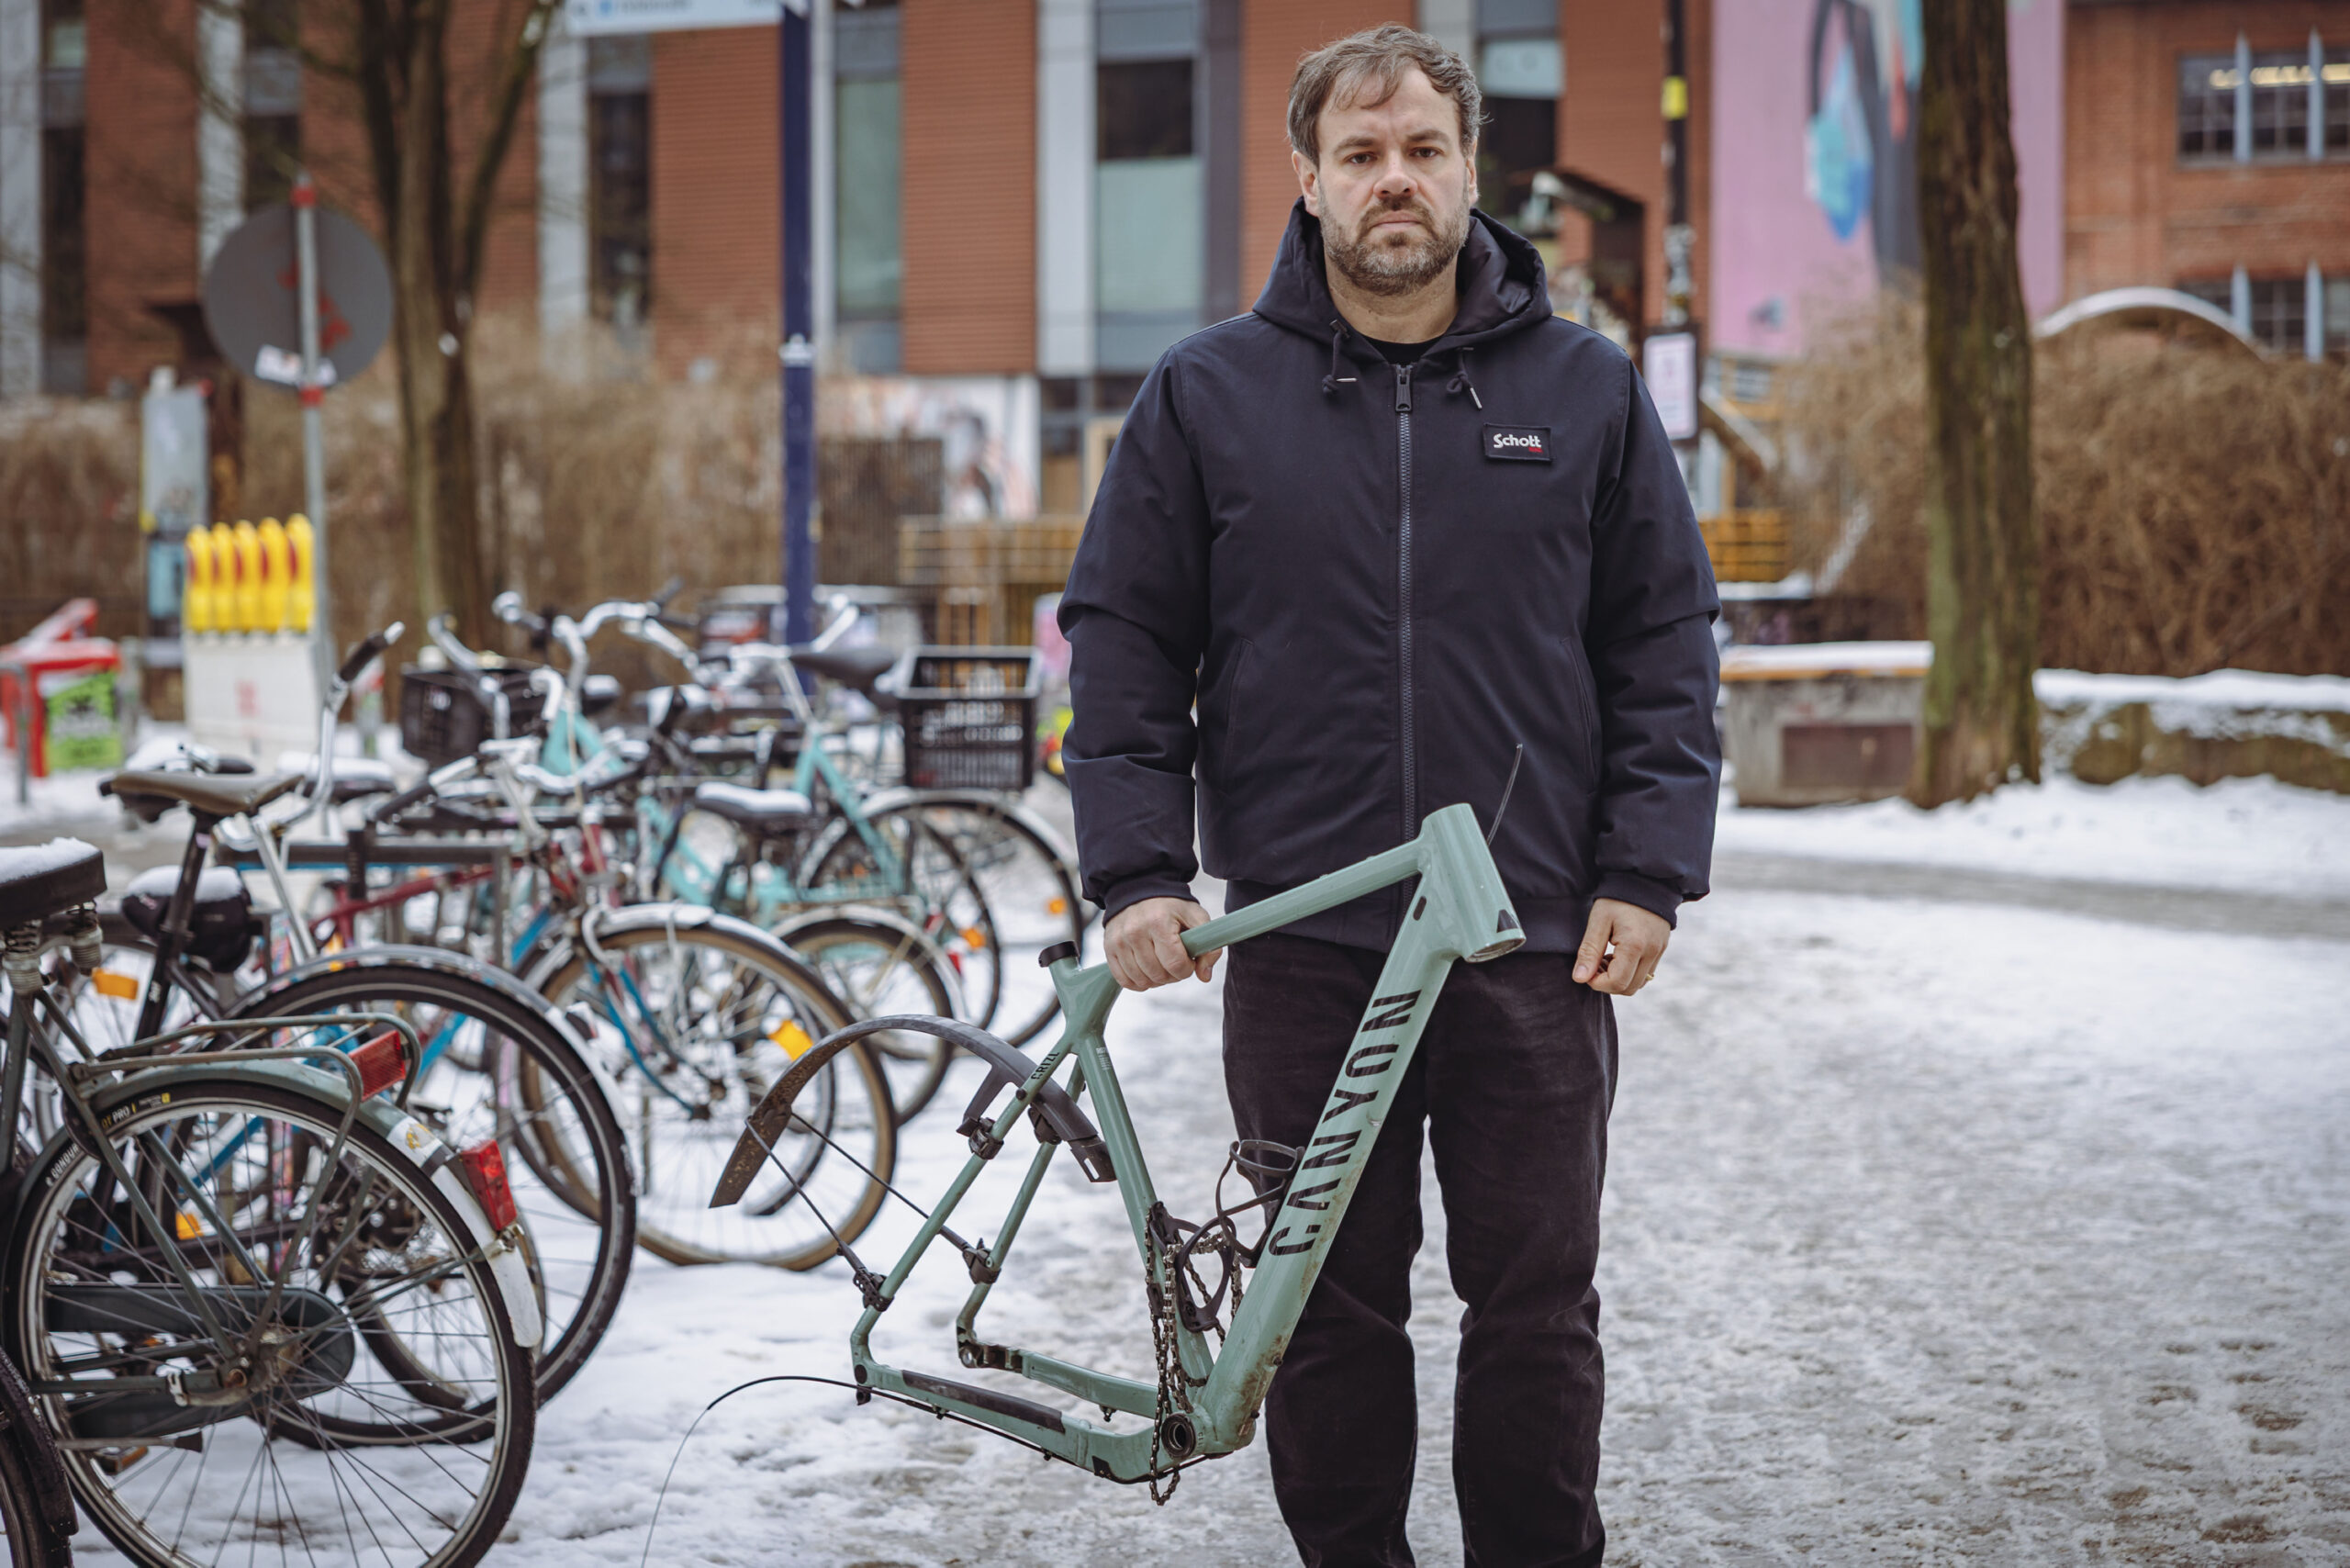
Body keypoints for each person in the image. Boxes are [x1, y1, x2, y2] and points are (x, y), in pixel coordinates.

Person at [1058, 24, 1720, 1568]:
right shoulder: (1208, 395)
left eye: (1422, 150)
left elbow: (1664, 641)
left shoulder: (1585, 388)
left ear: (1470, 167)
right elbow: (1128, 643)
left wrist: (1647, 869)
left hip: (1534, 942)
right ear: (1308, 179)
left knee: (1537, 1309)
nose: (1394, 183)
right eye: (1360, 156)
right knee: (1330, 1319)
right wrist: (1140, 871)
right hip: (1303, 947)